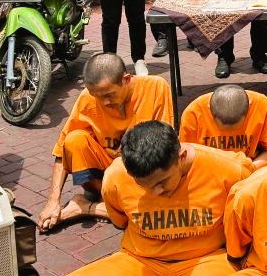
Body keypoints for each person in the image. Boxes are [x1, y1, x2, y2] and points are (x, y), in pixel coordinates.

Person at [69, 121, 253, 276]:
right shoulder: (115, 177)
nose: (155, 192)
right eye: (143, 185)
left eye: (162, 182)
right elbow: (121, 221)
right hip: (140, 259)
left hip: (208, 260)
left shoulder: (230, 170)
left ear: (181, 157)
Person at [37, 53, 173, 232]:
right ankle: (112, 203)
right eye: (98, 96)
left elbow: (164, 147)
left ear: (126, 79)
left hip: (140, 171)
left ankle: (87, 207)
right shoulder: (88, 97)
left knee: (157, 210)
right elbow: (61, 151)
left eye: (109, 95)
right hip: (106, 173)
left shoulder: (156, 87)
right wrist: (53, 201)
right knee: (74, 140)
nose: (105, 102)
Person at [179, 84, 267, 169]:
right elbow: (188, 157)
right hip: (209, 171)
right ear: (209, 108)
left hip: (250, 169)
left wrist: (250, 168)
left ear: (249, 107)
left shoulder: (264, 107)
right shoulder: (194, 113)